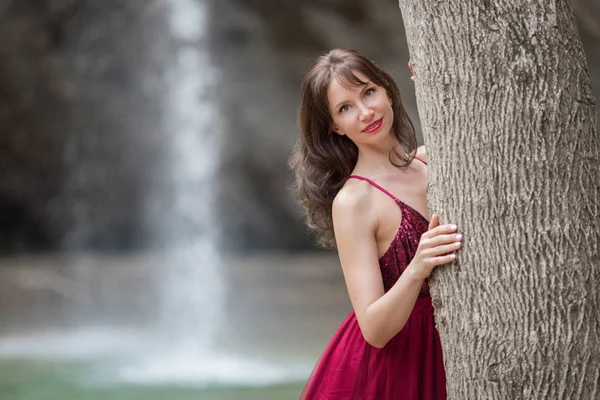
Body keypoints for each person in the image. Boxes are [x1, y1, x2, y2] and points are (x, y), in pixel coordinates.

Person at [289, 49, 462, 399]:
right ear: (334, 126)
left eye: (369, 92)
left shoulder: (434, 162)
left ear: (387, 90)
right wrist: (418, 266)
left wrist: (434, 81)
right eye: (345, 108)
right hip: (394, 367)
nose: (366, 112)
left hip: (459, 345)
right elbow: (374, 329)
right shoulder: (354, 202)